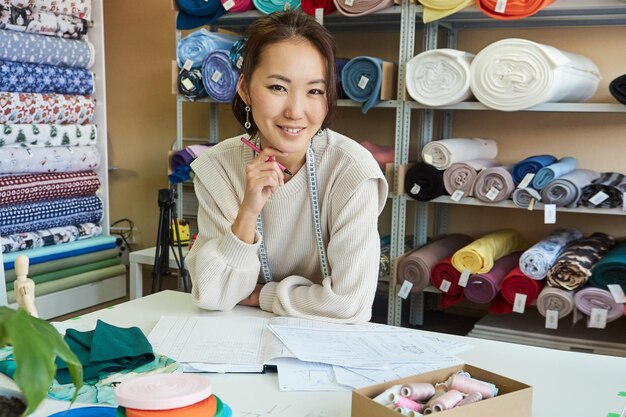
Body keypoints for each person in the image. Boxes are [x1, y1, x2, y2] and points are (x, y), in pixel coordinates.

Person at [186, 9, 388, 324]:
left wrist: (262, 295)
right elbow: (212, 294)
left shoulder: (351, 170)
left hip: (326, 346)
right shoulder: (218, 168)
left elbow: (350, 304)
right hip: (238, 339)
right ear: (245, 89)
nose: (296, 111)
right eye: (278, 87)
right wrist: (248, 211)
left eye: (314, 91)